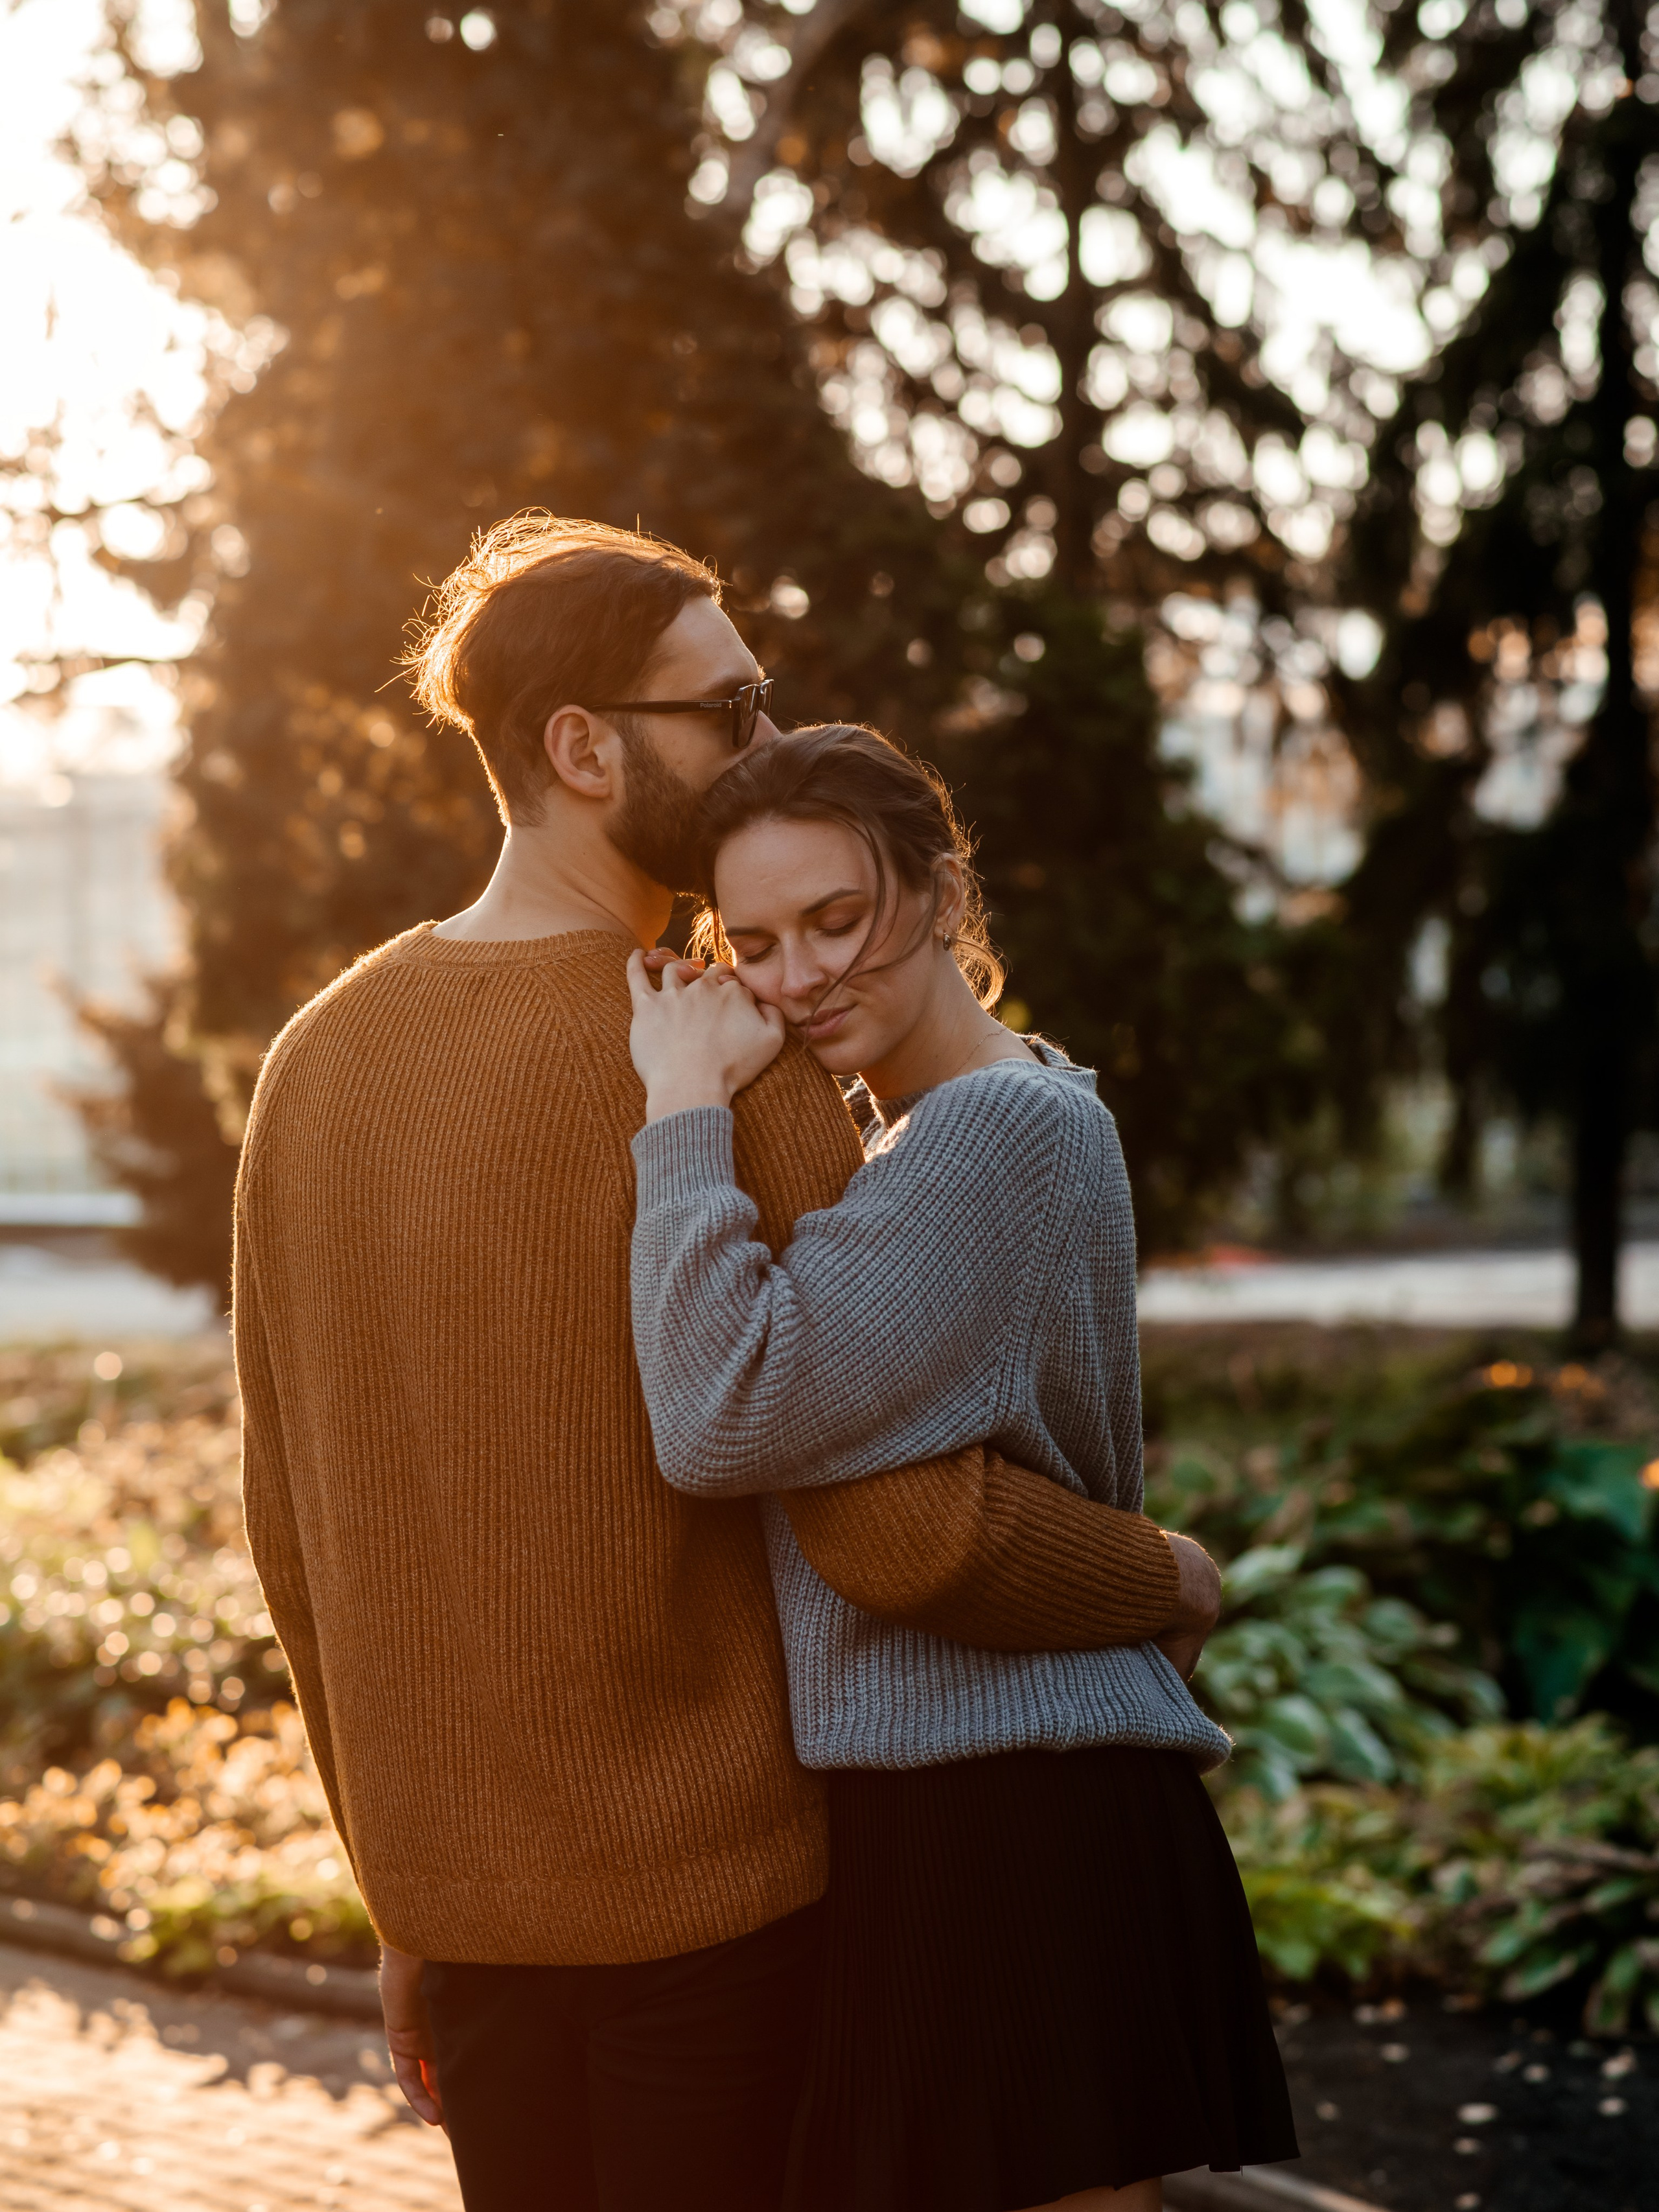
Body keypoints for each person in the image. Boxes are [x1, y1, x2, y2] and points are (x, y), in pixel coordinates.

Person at [233, 513, 1225, 2212]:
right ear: (583, 744)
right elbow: (895, 1526)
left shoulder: (311, 1065)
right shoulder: (723, 1053)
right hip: (725, 1910)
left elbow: (292, 1533)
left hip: (465, 1926)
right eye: (732, 705)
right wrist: (1158, 1569)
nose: (768, 741)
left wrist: (402, 1896)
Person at [627, 721, 1299, 2212]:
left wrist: (680, 1113)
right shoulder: (956, 1123)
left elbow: (720, 1411)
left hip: (1008, 1816)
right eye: (754, 941)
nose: (797, 977)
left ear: (936, 895)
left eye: (837, 919)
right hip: (979, 1798)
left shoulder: (990, 1131)